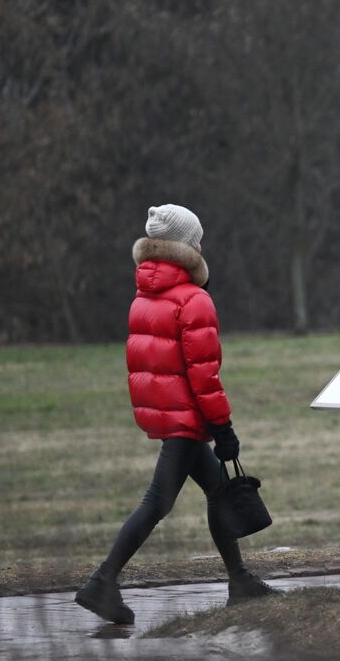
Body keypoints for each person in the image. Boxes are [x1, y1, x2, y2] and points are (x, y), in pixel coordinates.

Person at [75, 204, 277, 624]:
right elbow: (204, 375)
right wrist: (223, 429)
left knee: (218, 490)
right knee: (156, 503)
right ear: (187, 246)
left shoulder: (144, 297)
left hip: (167, 414)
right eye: (197, 238)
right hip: (188, 419)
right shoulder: (193, 300)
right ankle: (102, 581)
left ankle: (239, 580)